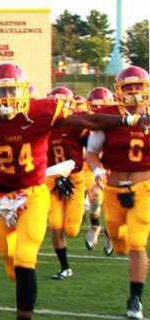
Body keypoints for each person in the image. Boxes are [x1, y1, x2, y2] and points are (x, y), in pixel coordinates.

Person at [0, 63, 149, 320]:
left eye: (13, 91)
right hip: (1, 198)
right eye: (2, 93)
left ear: (24, 92)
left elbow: (89, 119)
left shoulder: (40, 112)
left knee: (25, 258)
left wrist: (129, 119)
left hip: (33, 195)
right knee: (11, 261)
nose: (8, 99)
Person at [85, 66, 150, 319]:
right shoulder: (108, 116)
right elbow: (91, 152)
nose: (133, 92)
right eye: (128, 87)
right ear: (118, 91)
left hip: (144, 187)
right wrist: (97, 170)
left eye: (138, 86)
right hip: (112, 189)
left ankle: (135, 299)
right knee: (119, 241)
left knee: (136, 242)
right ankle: (112, 238)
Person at [42, 86, 88, 281]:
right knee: (55, 224)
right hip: (52, 179)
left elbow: (93, 148)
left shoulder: (76, 125)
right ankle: (65, 267)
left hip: (75, 179)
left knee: (72, 230)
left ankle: (84, 211)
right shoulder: (43, 127)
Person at [83, 86, 115, 255]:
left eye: (101, 106)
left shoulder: (116, 122)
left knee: (112, 206)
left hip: (113, 169)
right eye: (94, 107)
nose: (98, 111)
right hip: (92, 169)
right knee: (95, 201)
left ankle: (110, 234)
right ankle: (95, 225)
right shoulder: (84, 125)